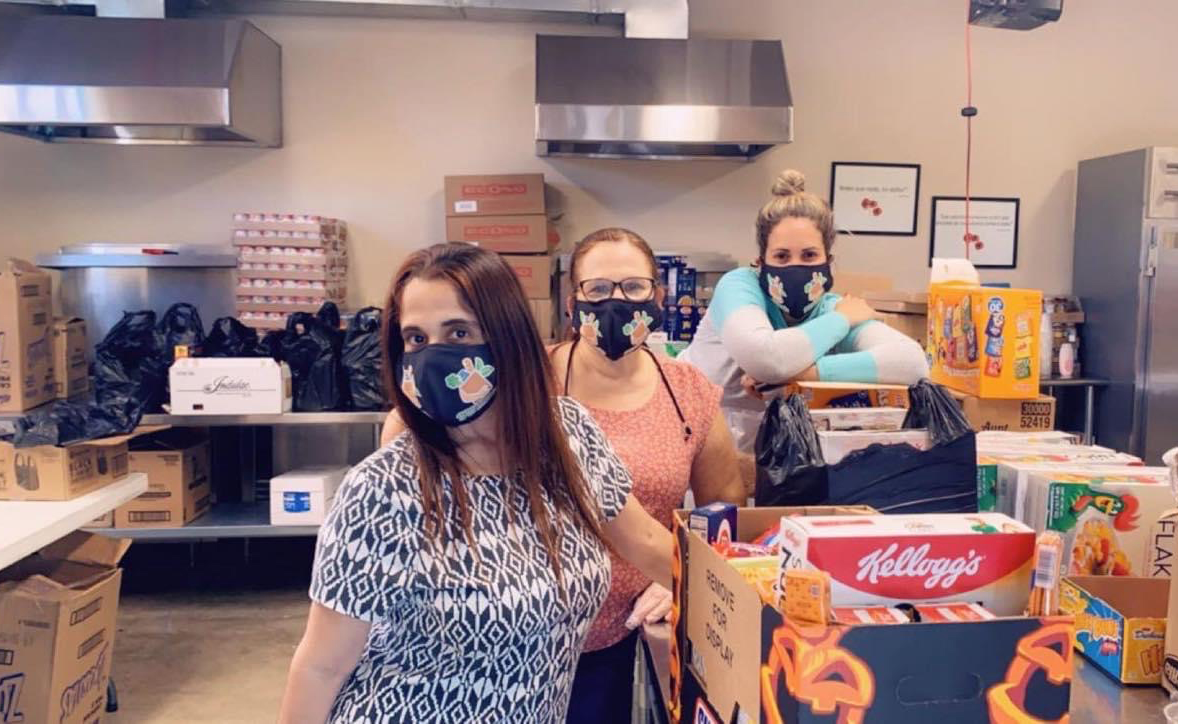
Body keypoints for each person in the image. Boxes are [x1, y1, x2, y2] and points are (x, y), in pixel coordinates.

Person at [279, 243, 675, 724]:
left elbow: (648, 541)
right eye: (417, 340)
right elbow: (320, 666)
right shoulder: (382, 490)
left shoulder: (570, 437)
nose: (434, 358)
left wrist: (743, 594)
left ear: (508, 338)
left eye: (459, 332)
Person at [548, 227, 743, 724]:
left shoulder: (688, 391)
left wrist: (674, 576)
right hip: (539, 630)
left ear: (657, 297)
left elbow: (722, 508)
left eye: (633, 288)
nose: (616, 302)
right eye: (597, 289)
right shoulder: (533, 381)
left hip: (638, 629)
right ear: (574, 302)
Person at [680, 169, 931, 451]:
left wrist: (803, 376)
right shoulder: (739, 287)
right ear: (760, 261)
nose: (796, 266)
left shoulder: (829, 307)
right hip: (693, 433)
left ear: (828, 260)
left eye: (810, 255)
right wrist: (843, 319)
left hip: (770, 448)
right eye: (782, 256)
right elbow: (765, 358)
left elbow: (912, 363)